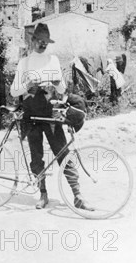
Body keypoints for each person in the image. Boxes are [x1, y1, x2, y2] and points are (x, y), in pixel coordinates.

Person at [10, 22, 93, 210]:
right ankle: (43, 193)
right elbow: (13, 91)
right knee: (36, 156)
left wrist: (57, 83)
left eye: (46, 42)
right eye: (40, 41)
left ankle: (77, 195)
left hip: (51, 114)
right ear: (32, 41)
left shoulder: (53, 60)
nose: (42, 44)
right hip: (32, 116)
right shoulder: (24, 63)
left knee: (62, 152)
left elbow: (62, 89)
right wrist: (26, 86)